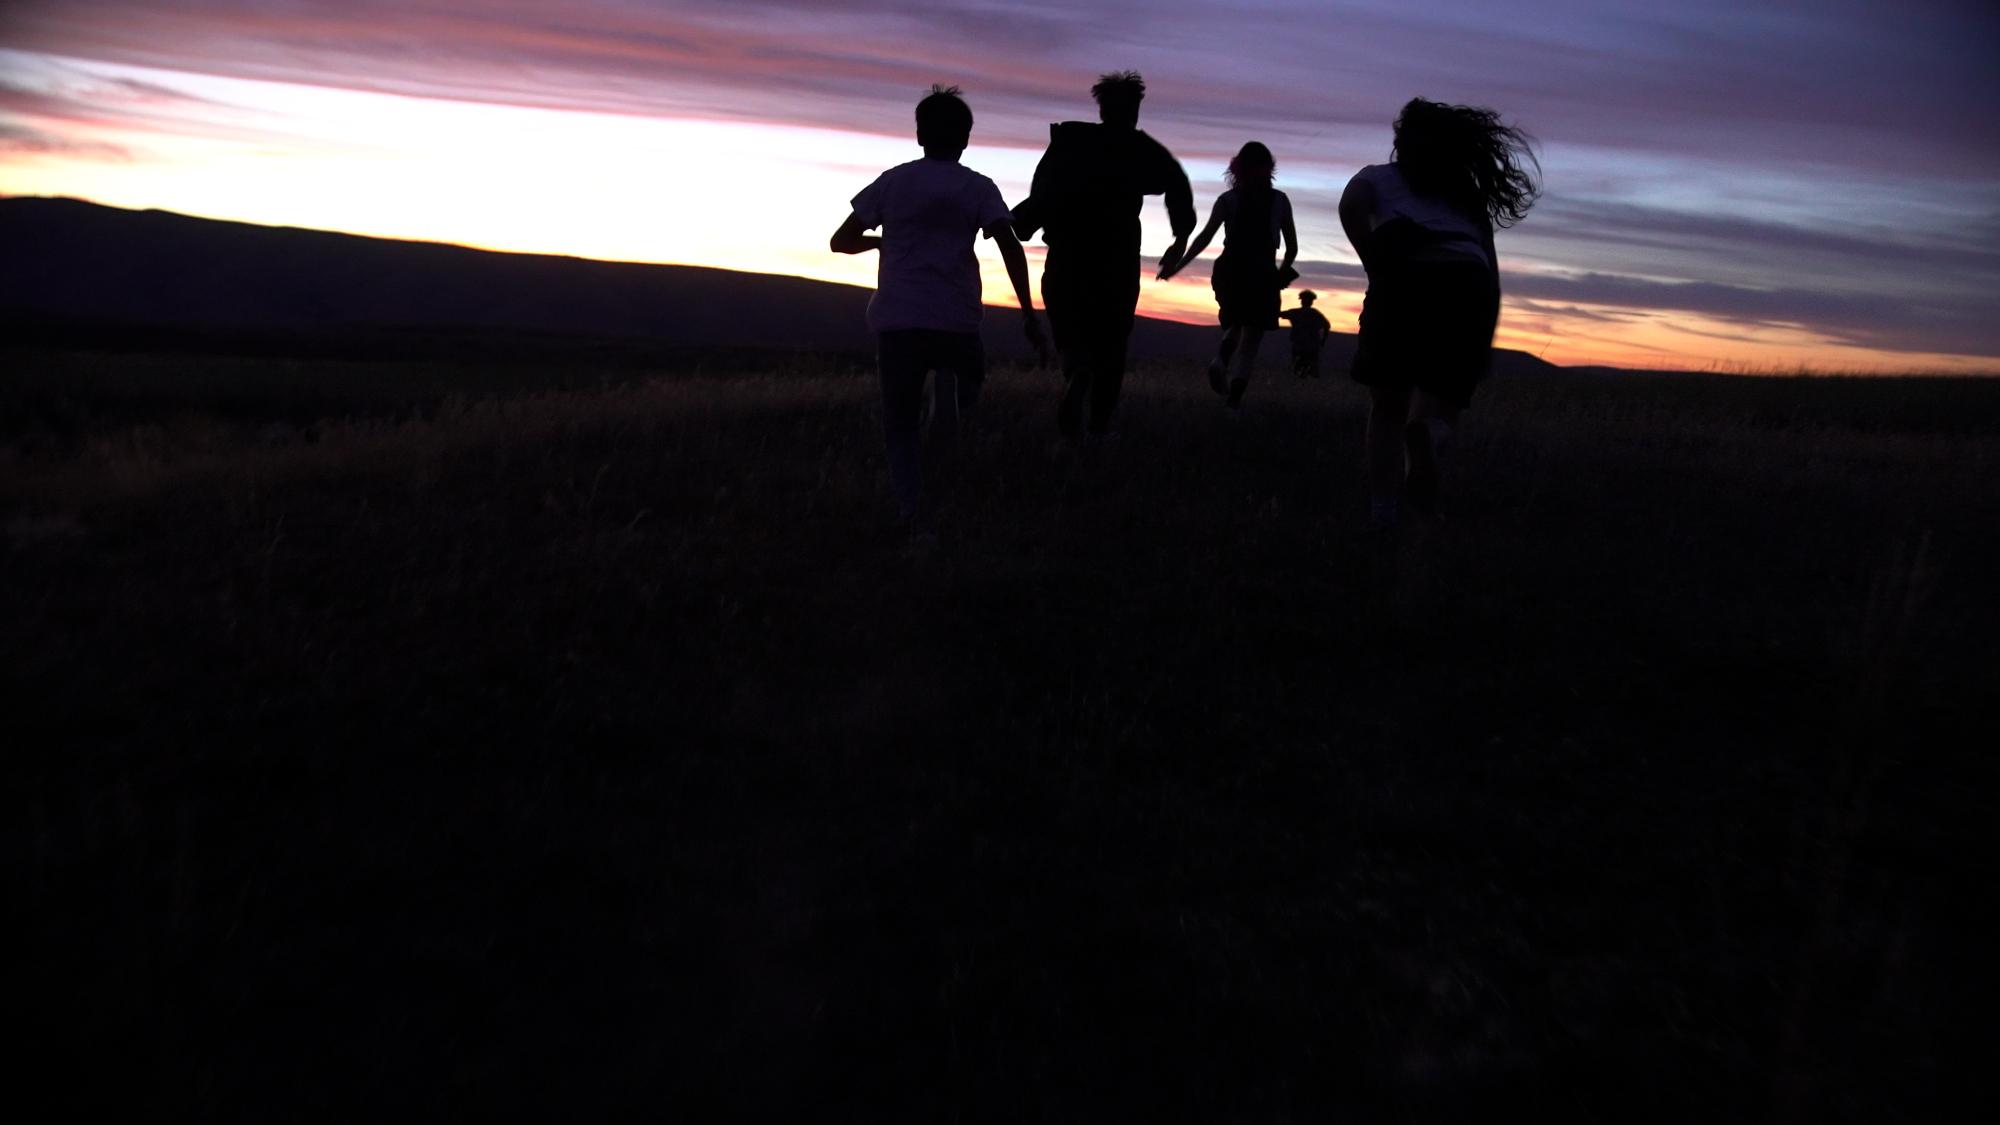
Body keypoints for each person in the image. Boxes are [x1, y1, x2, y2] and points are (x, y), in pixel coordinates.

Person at [831, 84, 1047, 537]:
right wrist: (1029, 313)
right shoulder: (977, 187)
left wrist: (881, 241)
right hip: (956, 317)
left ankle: (912, 508)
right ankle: (946, 398)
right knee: (965, 390)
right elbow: (1010, 246)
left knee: (899, 421)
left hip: (898, 318)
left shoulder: (893, 181)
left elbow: (840, 241)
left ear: (919, 135)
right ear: (966, 139)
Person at [1338, 97, 1538, 526]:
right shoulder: (1465, 197)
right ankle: (1428, 437)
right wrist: (1484, 335)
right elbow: (1488, 266)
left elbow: (1350, 207)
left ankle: (1383, 513)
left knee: (1388, 405)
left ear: (1399, 142)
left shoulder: (1377, 177)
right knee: (1440, 403)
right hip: (1466, 285)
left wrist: (1376, 265)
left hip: (1405, 272)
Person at [1010, 71, 1195, 438]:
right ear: (1136, 109)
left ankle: (1076, 371)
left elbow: (1043, 188)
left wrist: (1026, 221)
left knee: (1068, 327)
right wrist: (1178, 242)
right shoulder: (1142, 149)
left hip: (1068, 253)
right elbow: (1177, 185)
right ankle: (1098, 426)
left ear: (1102, 108)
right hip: (1118, 257)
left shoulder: (1070, 140)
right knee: (1112, 341)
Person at [1157, 141, 1297, 409]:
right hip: (1262, 271)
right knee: (1252, 339)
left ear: (1238, 169)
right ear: (1269, 168)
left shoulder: (1227, 200)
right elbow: (1292, 247)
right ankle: (1233, 402)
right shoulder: (1280, 201)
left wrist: (1177, 268)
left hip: (1230, 269)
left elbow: (1204, 238)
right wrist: (1281, 273)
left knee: (1234, 322)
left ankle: (1220, 360)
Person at [1279, 290, 1331, 379]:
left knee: (1299, 366)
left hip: (1301, 344)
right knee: (1310, 368)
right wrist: (1323, 340)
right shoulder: (1315, 313)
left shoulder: (1295, 312)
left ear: (1302, 301)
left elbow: (1279, 314)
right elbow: (1327, 326)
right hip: (1311, 345)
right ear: (1311, 302)